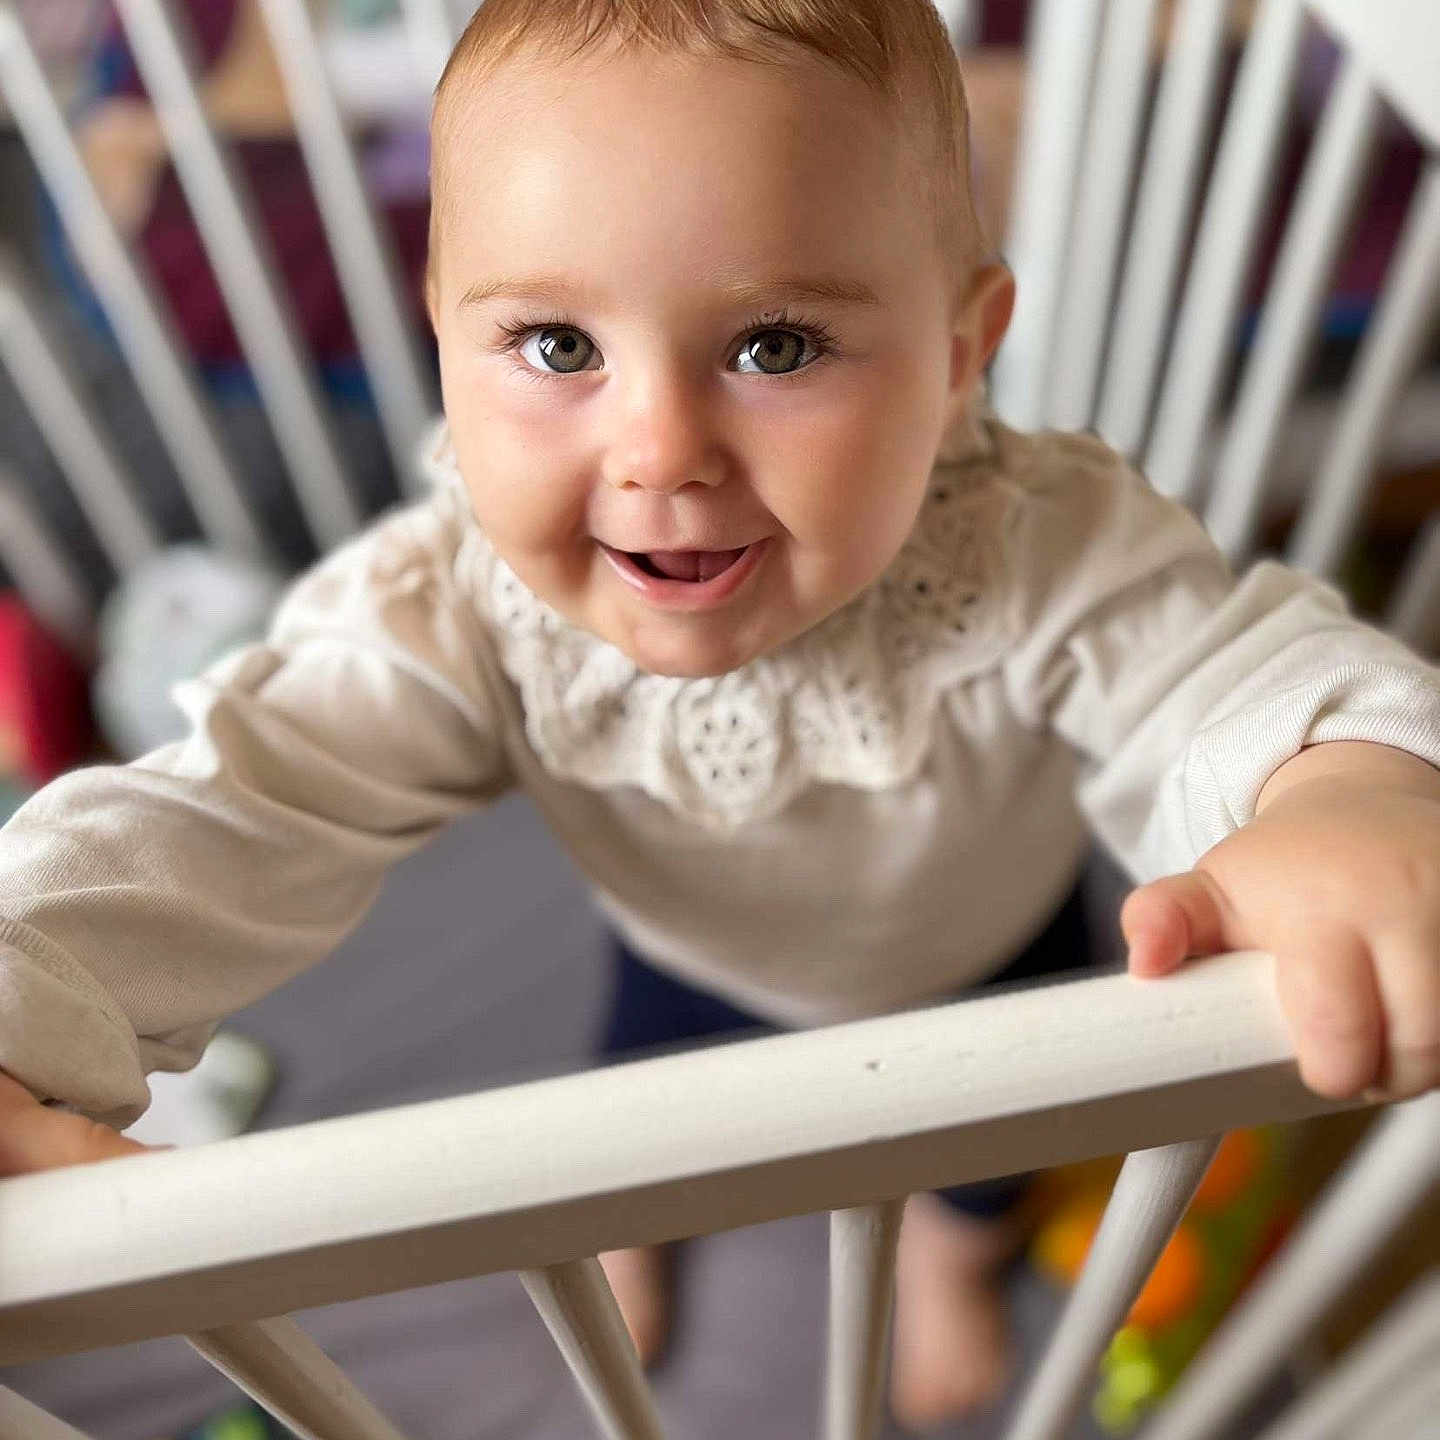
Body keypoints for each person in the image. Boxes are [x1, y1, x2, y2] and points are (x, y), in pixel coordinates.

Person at [2, 0, 1439, 1426]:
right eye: (559, 346)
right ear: (441, 337)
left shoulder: (1030, 544)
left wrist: (1337, 784)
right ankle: (639, 1220)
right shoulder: (454, 606)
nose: (662, 449)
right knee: (639, 1089)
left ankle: (947, 1247)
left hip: (982, 952)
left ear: (957, 359)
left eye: (776, 347)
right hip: (683, 948)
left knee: (988, 1151)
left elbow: (1219, 675)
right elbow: (238, 801)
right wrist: (30, 981)